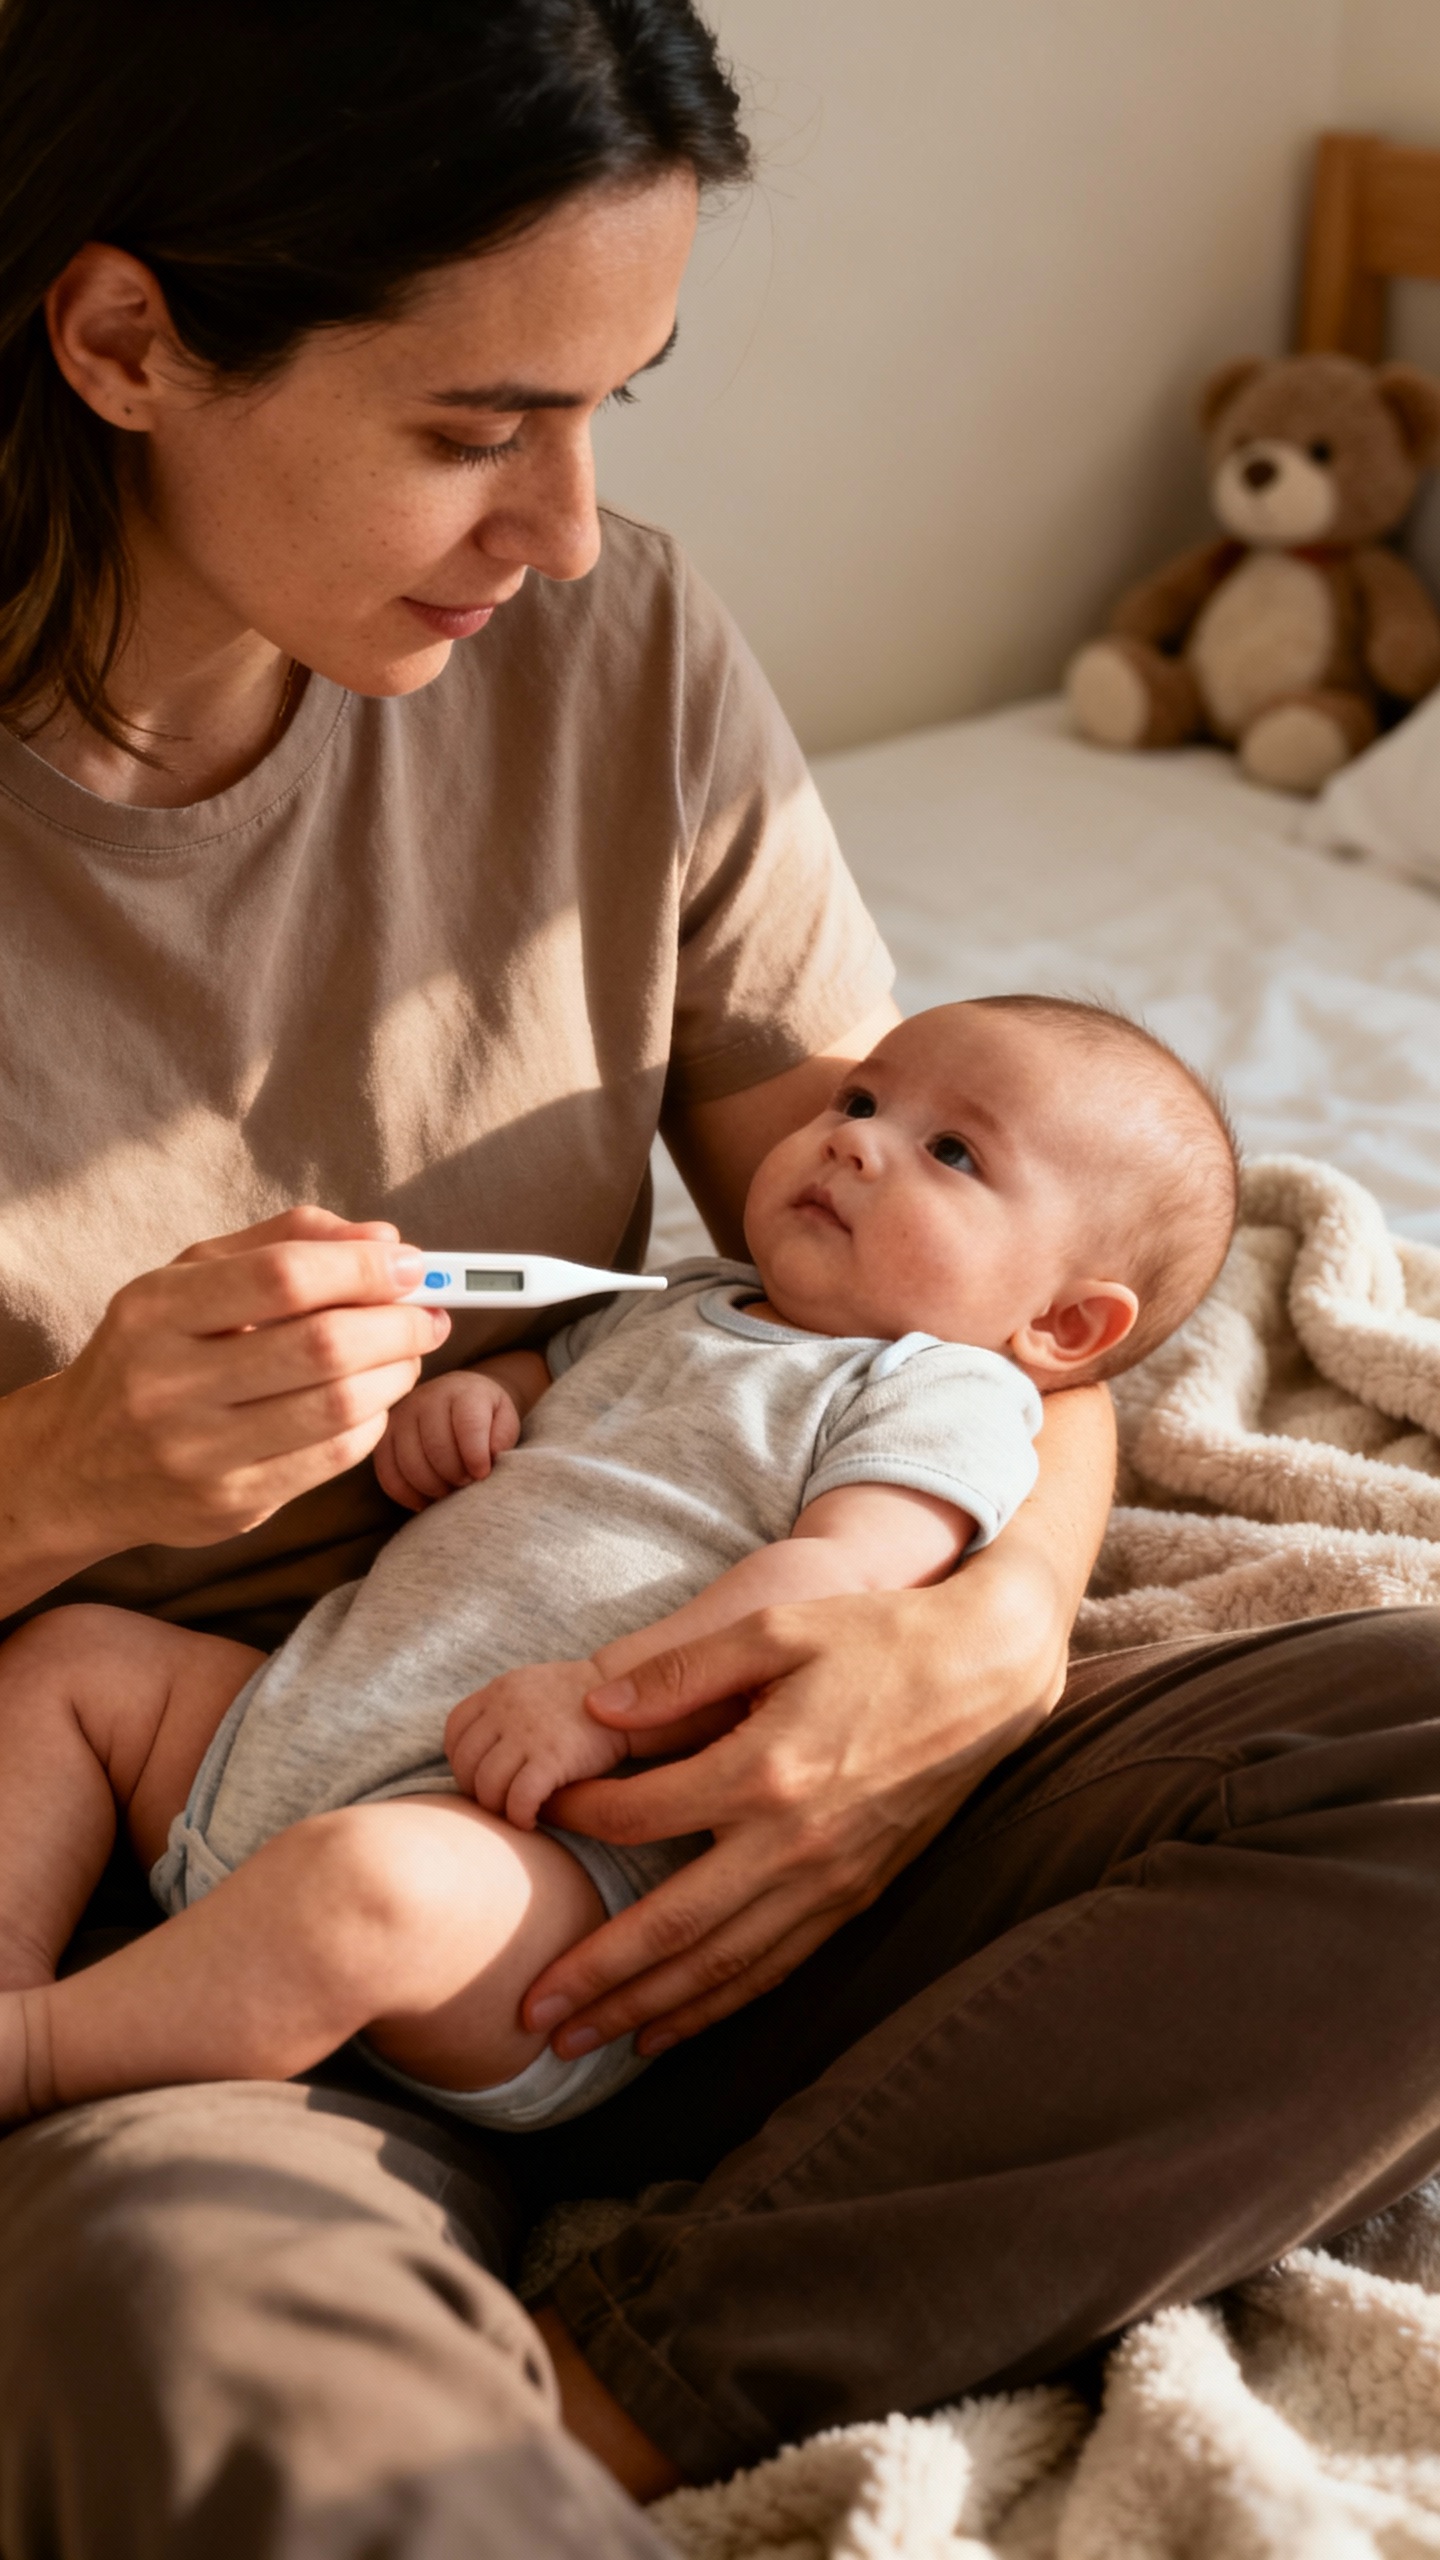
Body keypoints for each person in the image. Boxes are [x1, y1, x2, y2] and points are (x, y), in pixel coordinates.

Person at [1, 6, 1438, 2555]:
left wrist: (968, 1636)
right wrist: (52, 1484)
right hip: (249, 1914)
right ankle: (443, 2367)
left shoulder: (609, 657)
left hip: (737, 1823)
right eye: (472, 427)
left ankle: (626, 2368)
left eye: (610, 412)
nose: (557, 527)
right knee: (195, 2323)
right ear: (123, 341)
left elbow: (967, 1283)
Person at [0, 998, 1239, 2133]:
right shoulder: (680, 1298)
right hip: (293, 1724)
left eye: (953, 1153)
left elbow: (841, 1582)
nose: (857, 1141)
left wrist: (608, 1695)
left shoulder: (942, 1391)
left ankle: (42, 2052)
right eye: (858, 1101)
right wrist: (473, 1403)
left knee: (361, 1889)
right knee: (75, 1658)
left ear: (1066, 1326)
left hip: (518, 1862)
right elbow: (546, 1386)